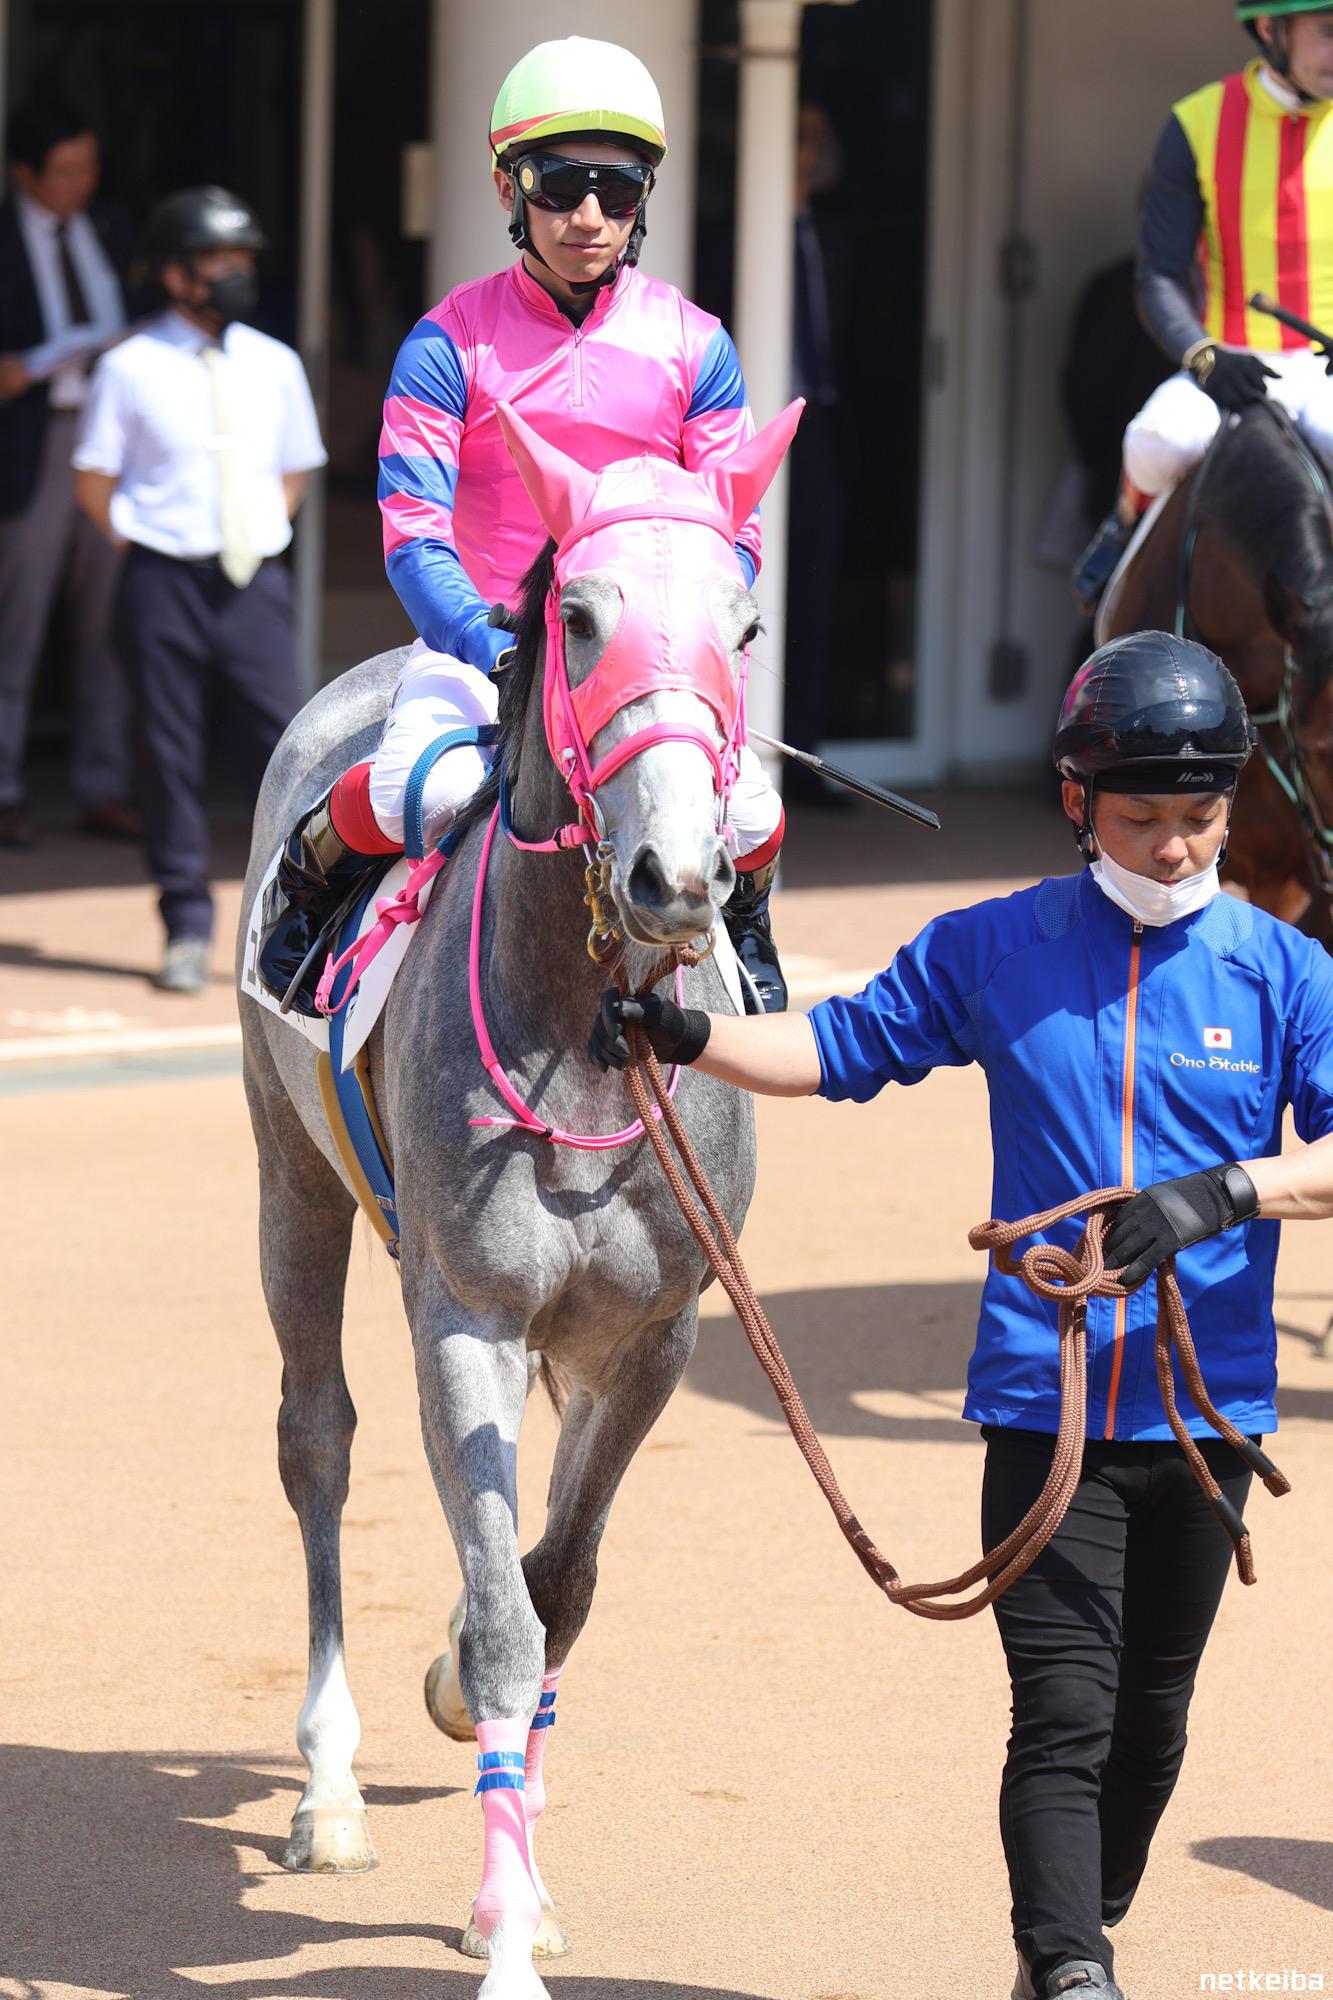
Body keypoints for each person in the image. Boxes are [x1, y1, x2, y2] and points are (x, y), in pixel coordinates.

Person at [591, 630, 1333, 2000]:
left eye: (1200, 816)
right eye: (1141, 818)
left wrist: (1227, 1192)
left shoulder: (1287, 972)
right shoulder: (993, 946)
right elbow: (832, 1047)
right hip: (1044, 1406)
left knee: (1150, 1723)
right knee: (1061, 1714)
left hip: (1207, 1414)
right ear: (1076, 802)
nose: (1174, 847)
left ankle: (1073, 1935)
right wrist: (686, 1035)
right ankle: (1070, 1965)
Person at [256, 35, 790, 1018]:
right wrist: (493, 642)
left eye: (616, 189)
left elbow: (732, 534)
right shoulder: (445, 342)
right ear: (509, 186)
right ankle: (305, 880)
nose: (587, 216)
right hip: (487, 647)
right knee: (413, 793)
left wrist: (683, 635)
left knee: (751, 815)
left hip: (632, 658)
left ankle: (743, 919)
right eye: (558, 185)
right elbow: (414, 533)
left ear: (643, 199)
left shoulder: (697, 346)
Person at [74, 186, 326, 994]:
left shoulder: (274, 363)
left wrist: (251, 535)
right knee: (167, 754)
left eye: (243, 260)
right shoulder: (129, 366)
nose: (235, 274)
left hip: (253, 582)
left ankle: (305, 916)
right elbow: (94, 479)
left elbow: (293, 472)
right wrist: (149, 544)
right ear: (176, 273)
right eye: (218, 261)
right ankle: (185, 923)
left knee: (290, 748)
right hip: (161, 582)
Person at [1074, 2, 1333, 613]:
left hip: (1326, 368)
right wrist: (1204, 355)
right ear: (1270, 30)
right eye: (1328, 32)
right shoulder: (1196, 121)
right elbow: (1159, 275)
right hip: (1231, 362)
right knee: (1157, 440)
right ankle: (1122, 529)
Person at [0, 96, 137, 849]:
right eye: (65, 170)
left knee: (108, 621)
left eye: (90, 165)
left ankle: (102, 785)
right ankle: (4, 789)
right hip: (38, 440)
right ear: (24, 174)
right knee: (17, 624)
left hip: (114, 440)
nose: (82, 181)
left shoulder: (110, 226)